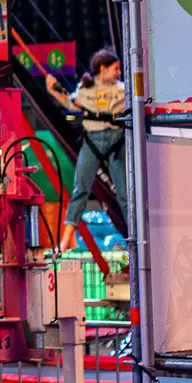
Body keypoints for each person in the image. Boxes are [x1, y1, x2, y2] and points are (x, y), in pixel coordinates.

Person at [46, 47, 127, 253]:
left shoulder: (123, 90)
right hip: (92, 141)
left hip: (116, 141)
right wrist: (52, 89)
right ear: (103, 68)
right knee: (80, 189)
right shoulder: (86, 89)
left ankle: (135, 237)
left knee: (125, 194)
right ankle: (65, 239)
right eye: (115, 68)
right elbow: (71, 103)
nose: (118, 73)